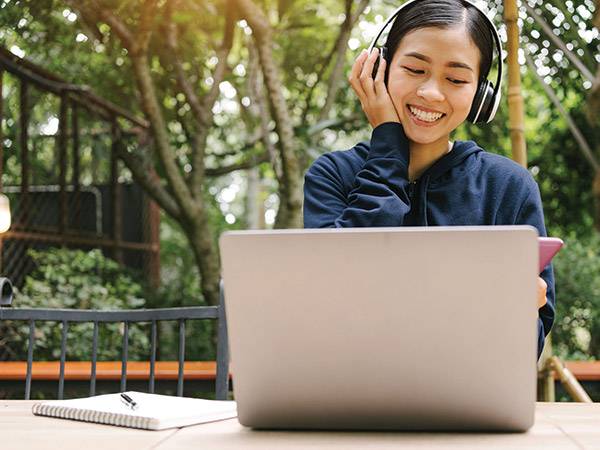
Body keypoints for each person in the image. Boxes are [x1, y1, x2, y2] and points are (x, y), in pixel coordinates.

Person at [302, 0, 554, 359]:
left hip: (467, 402)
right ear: (380, 69)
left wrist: (522, 312)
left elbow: (525, 353)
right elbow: (332, 289)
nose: (431, 93)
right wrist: (387, 143)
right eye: (415, 69)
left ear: (482, 96)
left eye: (456, 79)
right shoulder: (333, 174)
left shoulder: (508, 187)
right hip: (351, 393)